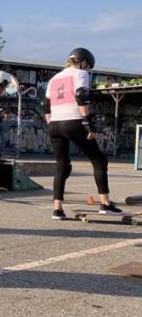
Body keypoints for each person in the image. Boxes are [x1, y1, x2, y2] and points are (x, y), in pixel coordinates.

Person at [43, 47, 122, 220]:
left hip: (54, 124)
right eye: (87, 66)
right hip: (73, 121)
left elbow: (46, 105)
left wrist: (52, 122)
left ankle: (57, 209)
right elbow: (80, 95)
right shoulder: (80, 74)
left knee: (62, 165)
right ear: (83, 62)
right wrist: (87, 122)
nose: (87, 70)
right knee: (99, 159)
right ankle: (105, 204)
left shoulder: (54, 78)